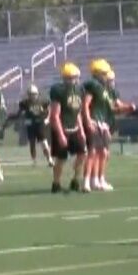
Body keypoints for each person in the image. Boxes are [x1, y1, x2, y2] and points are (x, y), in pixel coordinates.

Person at [48, 62, 88, 193]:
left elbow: (77, 114)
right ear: (63, 78)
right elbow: (54, 115)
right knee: (61, 158)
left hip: (75, 128)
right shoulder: (58, 91)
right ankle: (56, 183)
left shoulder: (79, 90)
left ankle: (75, 179)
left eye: (73, 77)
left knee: (83, 153)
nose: (71, 80)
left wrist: (81, 130)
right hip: (62, 128)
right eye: (68, 78)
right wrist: (60, 134)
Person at [81, 59, 115, 193]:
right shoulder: (93, 85)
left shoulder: (103, 88)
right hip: (95, 122)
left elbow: (110, 107)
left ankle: (98, 179)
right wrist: (88, 120)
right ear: (96, 73)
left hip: (103, 123)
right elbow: (85, 104)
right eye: (103, 73)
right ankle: (87, 181)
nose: (106, 75)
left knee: (103, 153)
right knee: (92, 153)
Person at [14, 85, 51, 167]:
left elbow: (49, 110)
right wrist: (21, 119)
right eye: (31, 94)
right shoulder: (24, 103)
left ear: (37, 94)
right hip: (31, 125)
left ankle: (49, 159)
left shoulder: (43, 101)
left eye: (34, 94)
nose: (32, 96)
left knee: (44, 143)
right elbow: (20, 113)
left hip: (40, 124)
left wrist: (48, 118)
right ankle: (34, 160)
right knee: (32, 143)